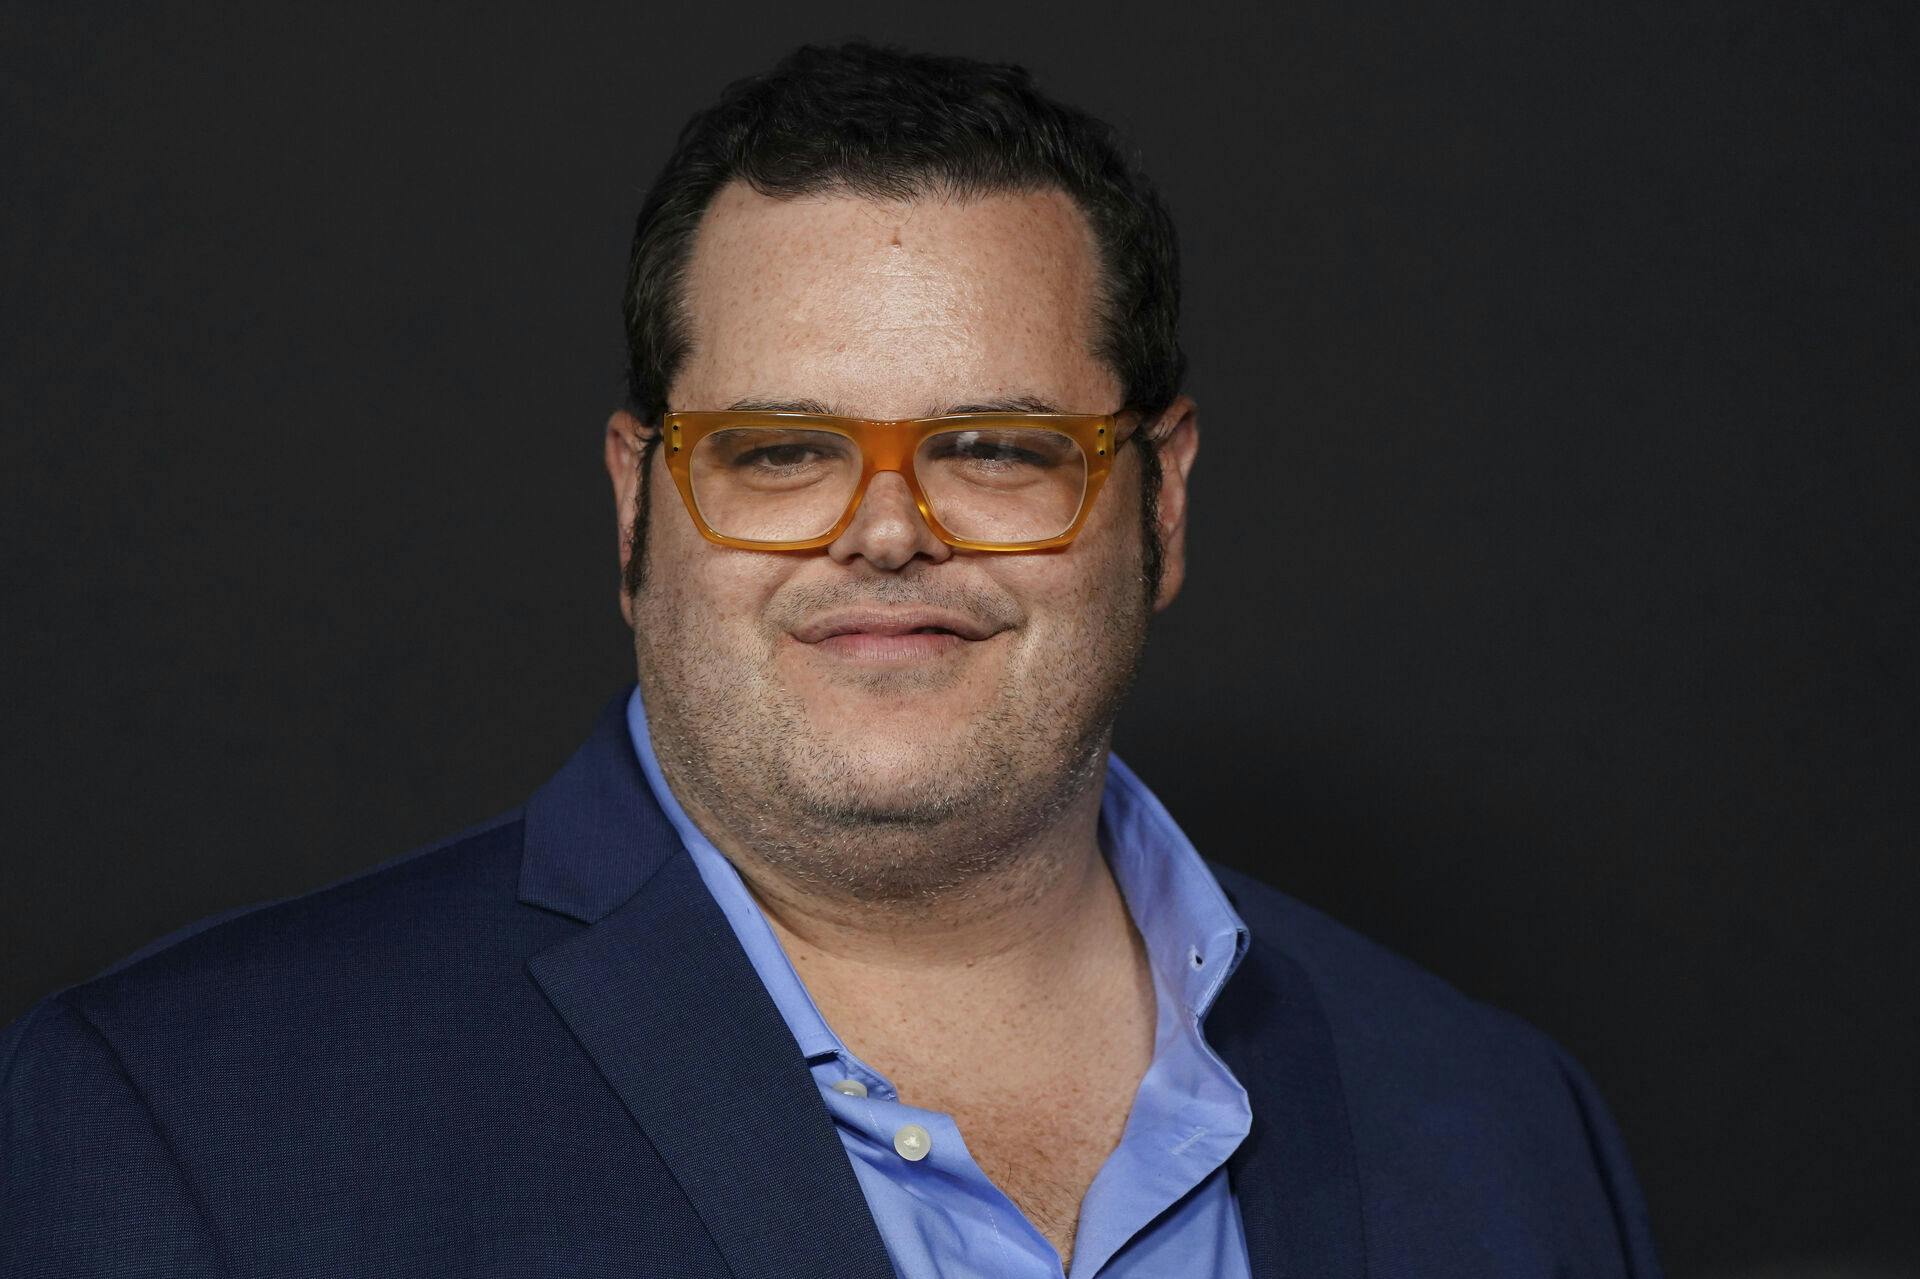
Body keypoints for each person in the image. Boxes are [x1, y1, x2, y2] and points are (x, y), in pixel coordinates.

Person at [1, 41, 1663, 1278]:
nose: (885, 531)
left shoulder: (1509, 1127)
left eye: (999, 448)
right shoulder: (192, 1132)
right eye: (782, 450)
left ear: (1158, 500)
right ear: (638, 502)